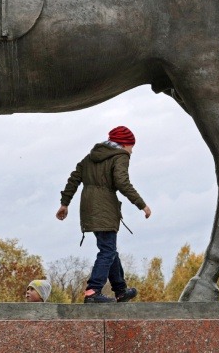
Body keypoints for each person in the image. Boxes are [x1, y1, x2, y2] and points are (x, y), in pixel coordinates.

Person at [55, 125, 151, 303]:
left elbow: (74, 178)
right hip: (104, 207)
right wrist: (142, 204)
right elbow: (122, 182)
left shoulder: (90, 157)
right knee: (107, 250)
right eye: (131, 146)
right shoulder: (120, 156)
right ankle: (93, 290)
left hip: (88, 208)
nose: (132, 150)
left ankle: (120, 290)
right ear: (124, 144)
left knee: (109, 248)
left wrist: (64, 203)